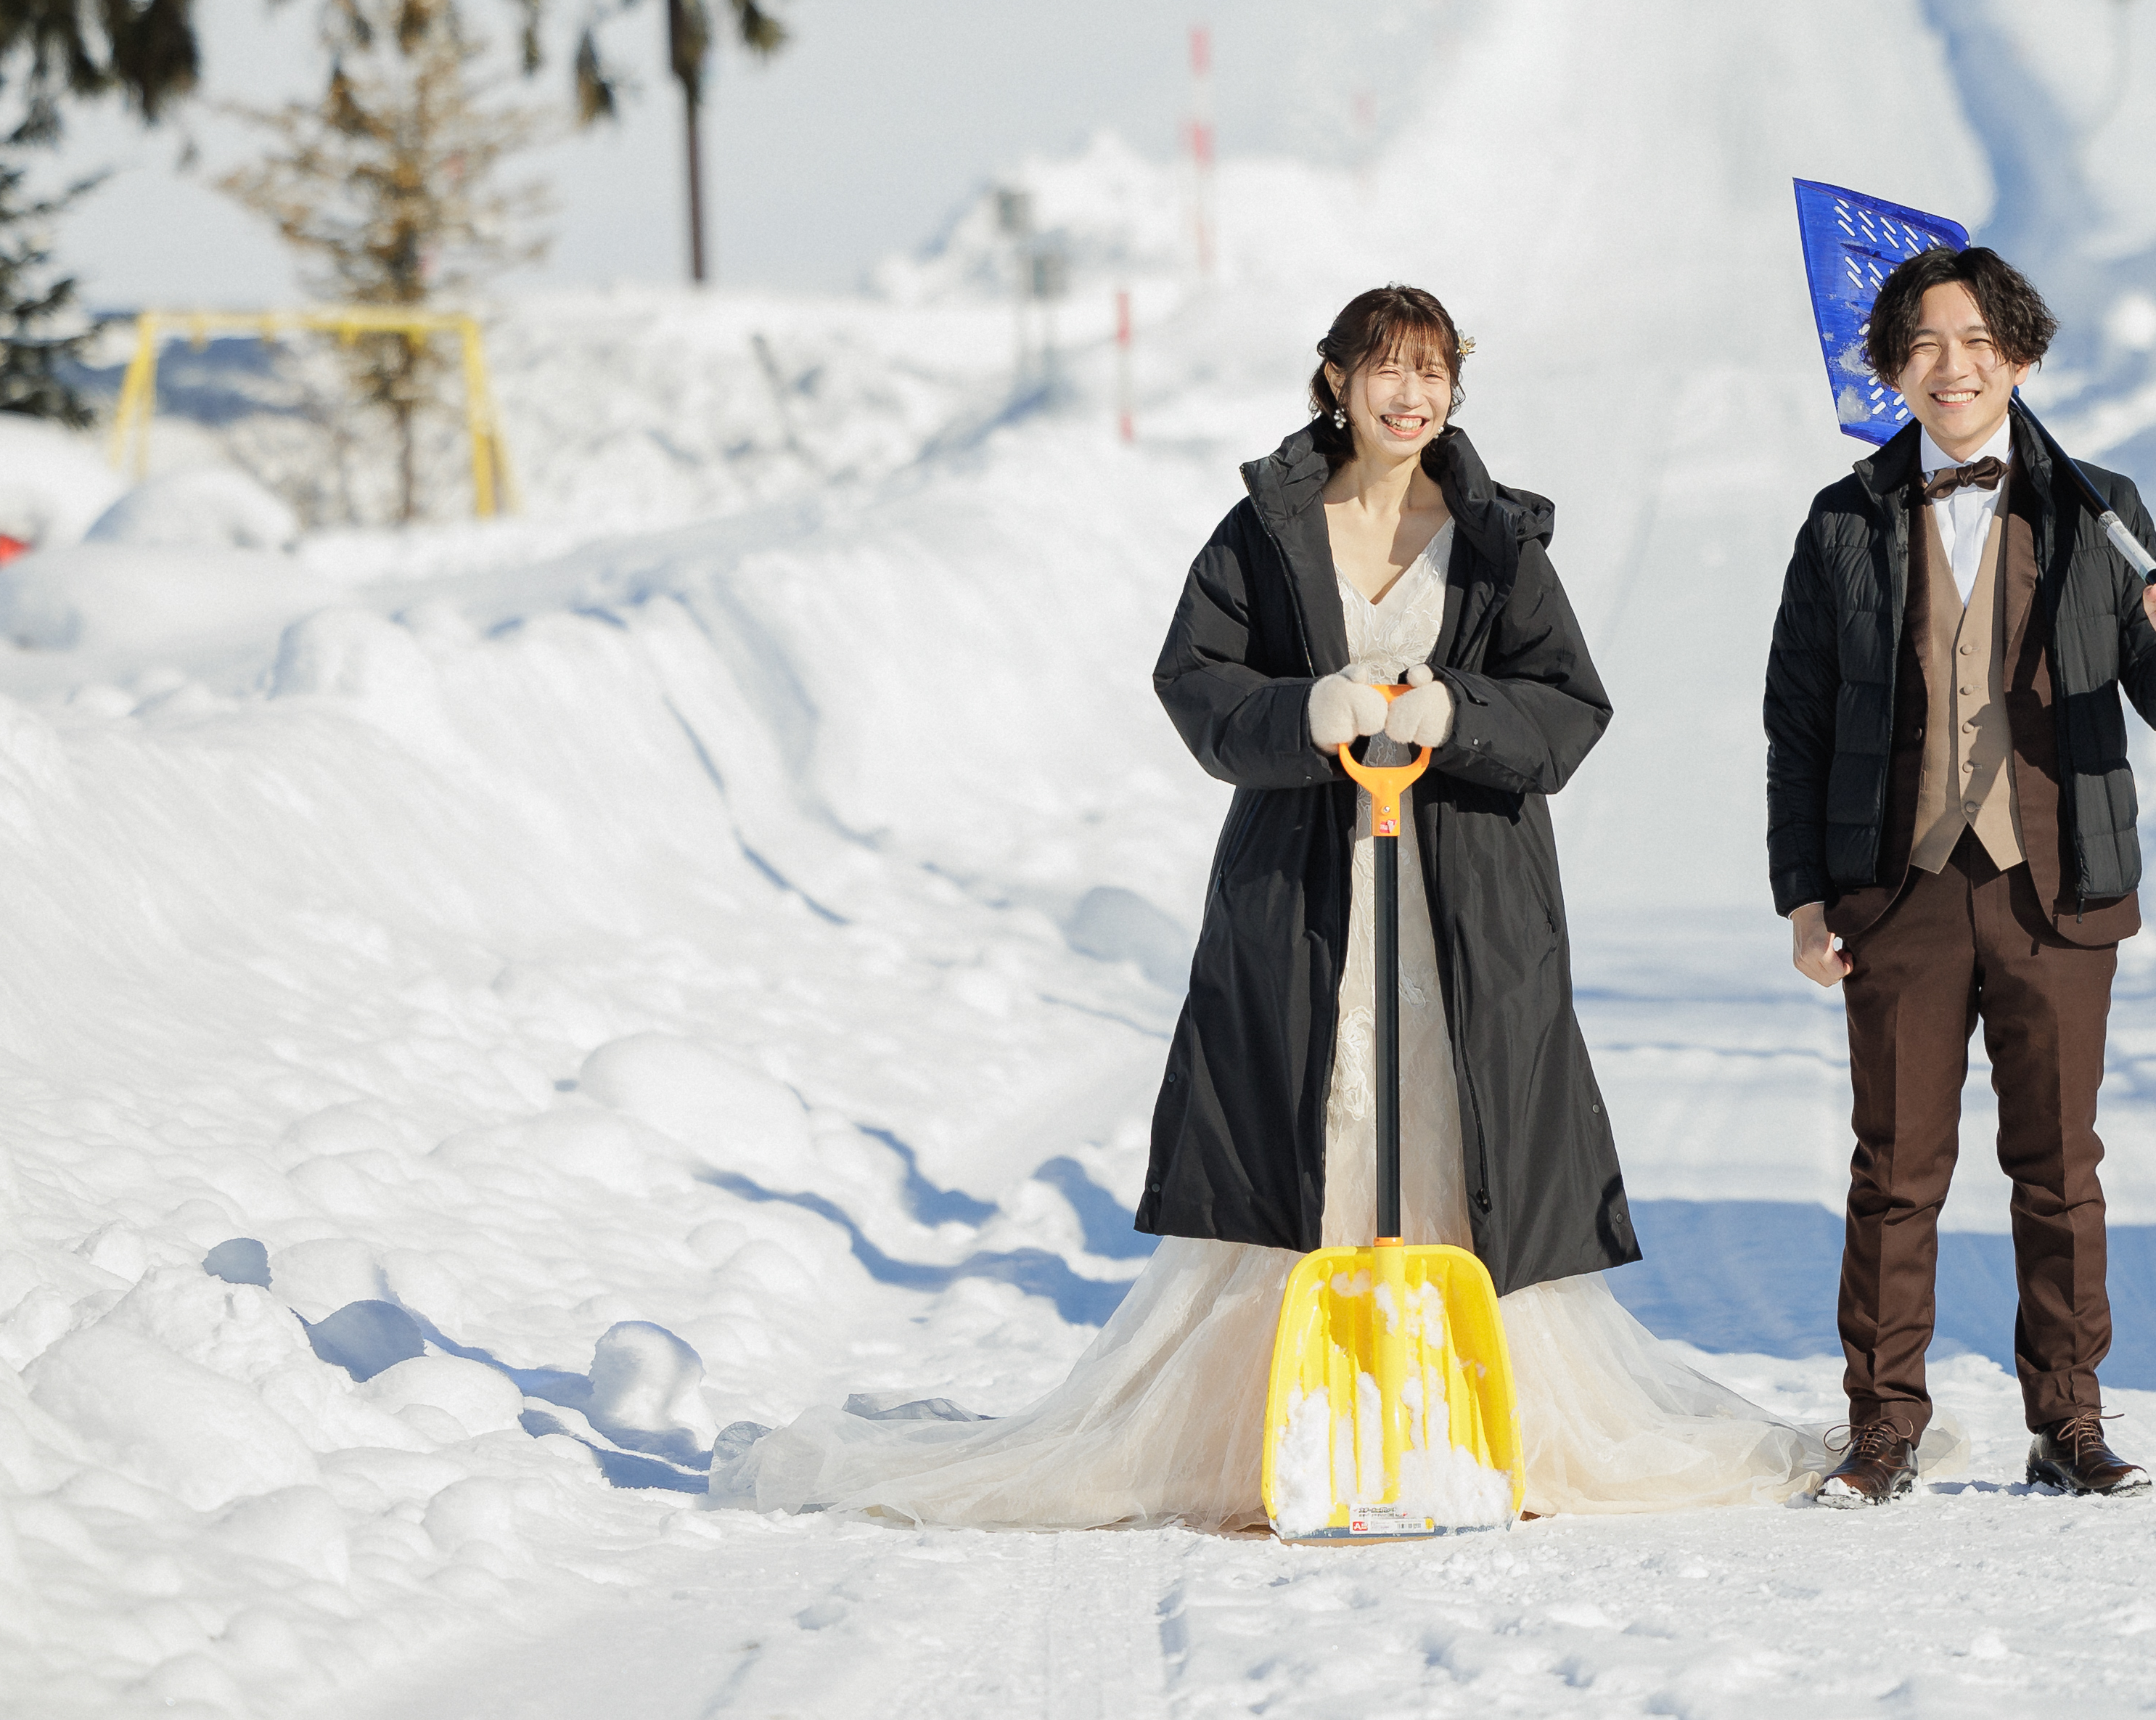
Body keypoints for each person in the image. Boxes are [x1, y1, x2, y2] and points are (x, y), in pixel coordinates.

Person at [716, 284, 1835, 1528]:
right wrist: (1305, 713)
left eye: (1434, 374)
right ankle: (1263, 1424)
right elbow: (1193, 681)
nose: (1410, 397)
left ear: (1456, 389)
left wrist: (1456, 714)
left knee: (1459, 1128)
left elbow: (1569, 710)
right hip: (1301, 886)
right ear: (1335, 380)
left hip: (1469, 890)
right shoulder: (1263, 529)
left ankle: (1493, 1414)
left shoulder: (1501, 538)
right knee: (1314, 1111)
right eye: (1386, 371)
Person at [1762, 242, 2156, 1509]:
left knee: (2059, 1169)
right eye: (1923, 344)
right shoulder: (1843, 518)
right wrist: (1804, 896)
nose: (1950, 366)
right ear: (1892, 370)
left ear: (2019, 357)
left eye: (1975, 343)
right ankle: (1883, 1428)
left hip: (2055, 888)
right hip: (1895, 887)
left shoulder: (2101, 506)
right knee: (1895, 1173)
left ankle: (2068, 1421)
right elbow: (1794, 724)